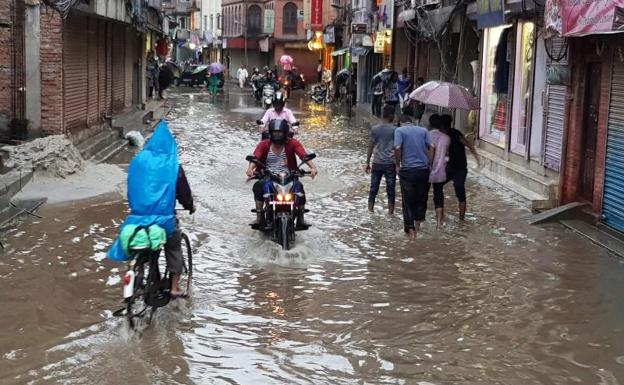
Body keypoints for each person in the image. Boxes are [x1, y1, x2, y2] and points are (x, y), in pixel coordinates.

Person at [107, 122, 195, 297]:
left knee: (145, 247)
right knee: (174, 247)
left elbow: (132, 186)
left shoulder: (138, 161)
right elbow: (183, 192)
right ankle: (175, 287)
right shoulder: (173, 165)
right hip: (163, 219)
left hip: (137, 217)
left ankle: (141, 274)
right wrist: (190, 206)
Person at [246, 119, 318, 228]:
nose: (277, 135)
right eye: (275, 132)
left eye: (279, 132)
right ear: (270, 133)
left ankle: (300, 217)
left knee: (299, 187)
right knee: (259, 186)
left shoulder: (293, 143)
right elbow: (256, 156)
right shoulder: (264, 144)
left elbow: (303, 155)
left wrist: (312, 167)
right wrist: (250, 169)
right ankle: (260, 217)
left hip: (289, 176)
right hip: (269, 176)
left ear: (285, 133)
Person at [394, 114, 434, 239]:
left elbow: (397, 147)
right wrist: (430, 163)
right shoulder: (423, 130)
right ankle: (418, 227)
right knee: (422, 198)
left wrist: (398, 164)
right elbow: (432, 146)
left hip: (408, 171)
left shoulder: (399, 130)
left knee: (408, 200)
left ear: (401, 122)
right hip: (423, 171)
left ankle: (410, 231)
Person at [440, 114, 480, 221]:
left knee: (459, 190)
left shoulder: (455, 134)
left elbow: (469, 145)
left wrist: (477, 159)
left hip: (460, 169)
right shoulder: (442, 136)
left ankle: (461, 220)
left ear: (443, 125)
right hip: (450, 167)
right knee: (438, 185)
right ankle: (440, 214)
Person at [366, 104, 397, 215]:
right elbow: (398, 148)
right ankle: (390, 213)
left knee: (373, 188)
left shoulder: (375, 129)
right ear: (391, 116)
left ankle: (370, 211)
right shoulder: (396, 130)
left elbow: (370, 146)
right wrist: (399, 164)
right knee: (391, 190)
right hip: (390, 163)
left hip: (377, 162)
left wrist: (367, 162)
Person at [427, 114, 451, 229]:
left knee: (423, 195)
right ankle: (439, 223)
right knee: (438, 195)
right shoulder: (446, 138)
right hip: (440, 171)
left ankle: (419, 223)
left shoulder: (426, 135)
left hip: (426, 170)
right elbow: (447, 154)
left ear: (430, 124)